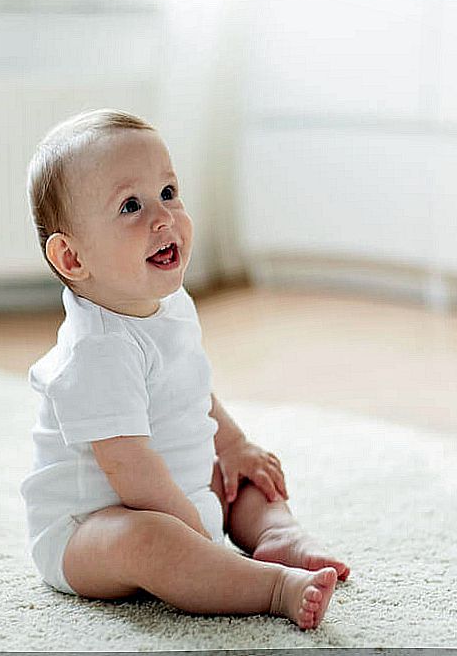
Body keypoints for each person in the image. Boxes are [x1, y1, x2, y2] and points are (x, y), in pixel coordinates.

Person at [20, 109, 350, 630]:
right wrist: (195, 532)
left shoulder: (169, 304)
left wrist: (236, 446)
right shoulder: (97, 350)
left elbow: (192, 387)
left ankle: (278, 535)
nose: (163, 217)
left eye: (169, 193)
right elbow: (129, 469)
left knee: (243, 478)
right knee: (150, 542)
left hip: (176, 486)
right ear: (72, 257)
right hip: (89, 528)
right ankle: (270, 588)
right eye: (131, 206)